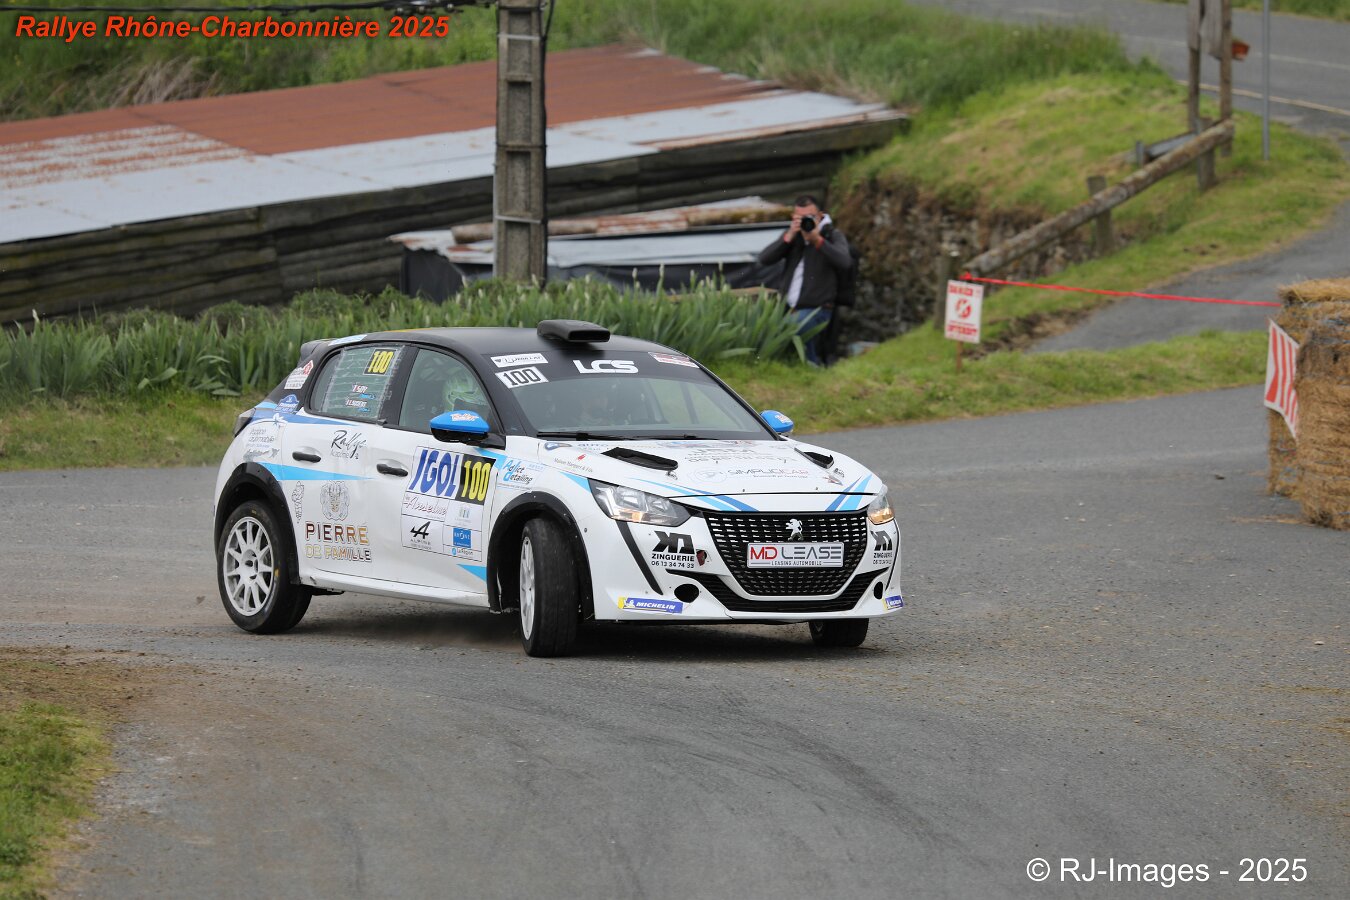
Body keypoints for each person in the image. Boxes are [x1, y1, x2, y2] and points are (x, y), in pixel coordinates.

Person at [758, 195, 852, 366]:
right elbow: (764, 259)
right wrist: (788, 237)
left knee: (790, 330)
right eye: (800, 217)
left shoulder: (831, 234)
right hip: (788, 308)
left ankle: (810, 368)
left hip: (817, 308)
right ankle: (807, 369)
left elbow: (845, 262)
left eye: (809, 217)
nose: (805, 221)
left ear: (820, 216)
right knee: (772, 333)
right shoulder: (794, 236)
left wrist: (818, 241)